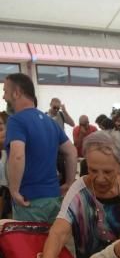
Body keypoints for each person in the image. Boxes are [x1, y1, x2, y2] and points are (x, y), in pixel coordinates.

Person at [3, 74, 77, 223]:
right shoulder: (50, 122)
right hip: (53, 198)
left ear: (16, 93)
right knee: (50, 244)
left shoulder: (16, 121)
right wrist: (69, 183)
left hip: (29, 200)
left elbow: (17, 155)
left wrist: (14, 190)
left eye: (5, 91)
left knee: (30, 246)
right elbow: (72, 152)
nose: (4, 97)